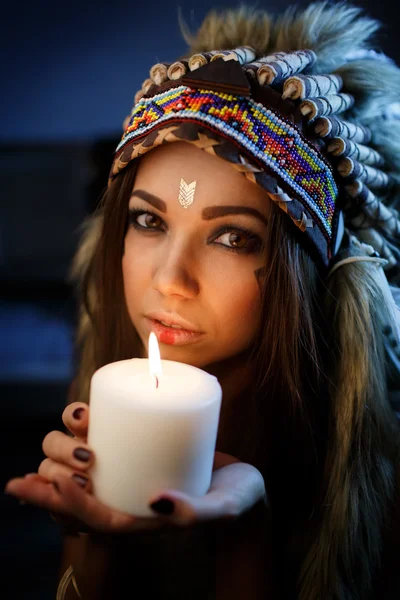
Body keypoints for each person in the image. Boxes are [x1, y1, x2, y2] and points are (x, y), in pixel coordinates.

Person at [5, 2, 400, 598]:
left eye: (232, 238)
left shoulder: (374, 466)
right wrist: (98, 550)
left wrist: (245, 540)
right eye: (148, 220)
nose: (171, 280)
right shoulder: (107, 400)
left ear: (304, 272)